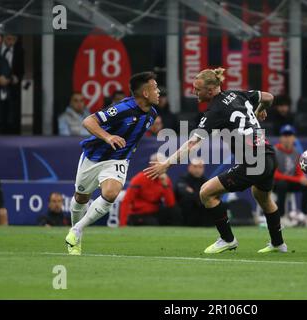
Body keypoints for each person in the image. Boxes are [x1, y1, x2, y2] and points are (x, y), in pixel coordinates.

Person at [145, 67, 287, 254]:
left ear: (210, 91)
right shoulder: (236, 94)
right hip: (268, 156)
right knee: (263, 197)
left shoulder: (216, 110)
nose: (194, 92)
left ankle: (227, 239)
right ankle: (278, 243)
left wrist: (166, 164)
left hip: (253, 162)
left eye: (197, 89)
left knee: (206, 193)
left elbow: (192, 144)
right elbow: (268, 97)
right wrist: (259, 110)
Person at [64, 72, 160, 255]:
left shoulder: (152, 114)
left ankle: (77, 230)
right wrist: (108, 137)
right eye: (155, 88)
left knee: (111, 193)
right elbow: (88, 121)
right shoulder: (123, 108)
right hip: (94, 157)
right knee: (81, 197)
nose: (159, 91)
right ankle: (75, 236)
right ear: (145, 93)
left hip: (118, 160)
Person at [119, 153, 182, 226]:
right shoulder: (139, 179)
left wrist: (165, 186)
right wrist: (122, 224)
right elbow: (126, 201)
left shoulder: (165, 180)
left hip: (155, 212)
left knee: (176, 212)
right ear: (151, 164)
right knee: (152, 222)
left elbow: (170, 204)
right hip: (138, 213)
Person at [273, 125, 307, 223]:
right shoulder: (274, 151)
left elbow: (299, 171)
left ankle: (306, 214)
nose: (287, 138)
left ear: (294, 138)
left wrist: (302, 178)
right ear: (280, 138)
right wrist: (297, 179)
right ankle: (281, 216)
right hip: (274, 183)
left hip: (289, 182)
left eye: (290, 135)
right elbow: (275, 175)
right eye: (285, 135)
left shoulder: (296, 153)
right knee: (281, 184)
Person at [0, 34, 24, 135]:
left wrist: (10, 80)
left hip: (10, 93)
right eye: (8, 39)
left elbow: (19, 74)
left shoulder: (19, 52)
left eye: (13, 40)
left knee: (10, 121)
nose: (10, 42)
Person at [175, 158, 212, 226]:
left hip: (202, 213)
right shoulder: (183, 178)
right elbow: (183, 192)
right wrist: (199, 196)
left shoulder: (206, 181)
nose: (197, 170)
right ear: (189, 167)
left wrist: (193, 193)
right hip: (185, 213)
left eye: (200, 167)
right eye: (195, 167)